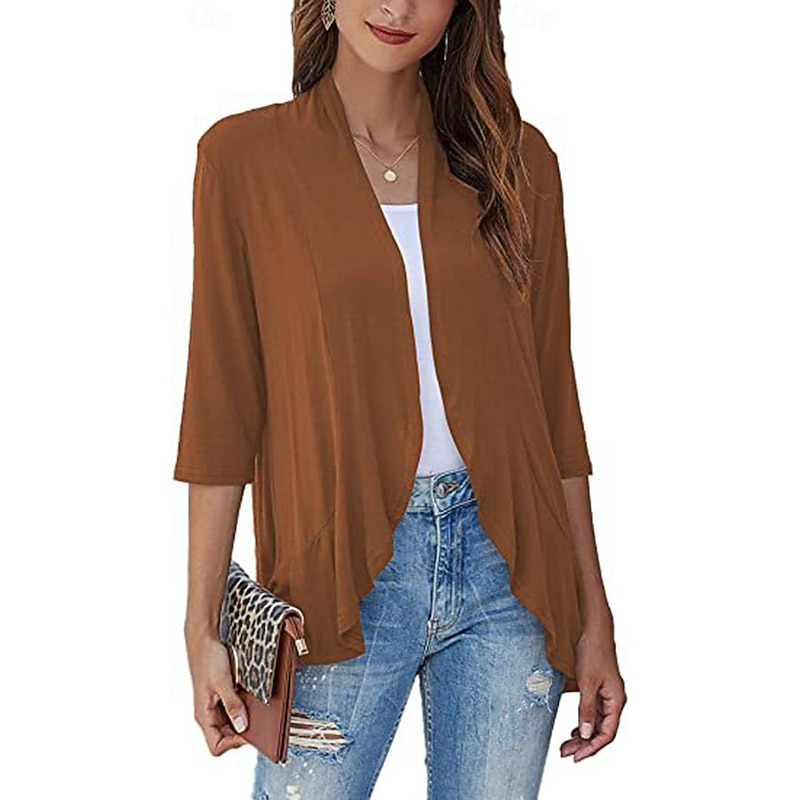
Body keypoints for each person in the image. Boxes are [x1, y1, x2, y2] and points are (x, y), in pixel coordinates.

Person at [175, 1, 626, 797]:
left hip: (510, 574)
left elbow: (555, 406)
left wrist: (595, 616)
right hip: (336, 578)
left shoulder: (519, 162)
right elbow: (222, 404)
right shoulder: (244, 159)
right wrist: (200, 622)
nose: (398, 6)